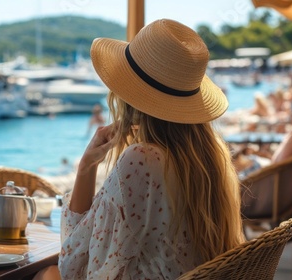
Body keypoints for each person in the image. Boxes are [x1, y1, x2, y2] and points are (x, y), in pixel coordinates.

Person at [35, 19, 245, 279]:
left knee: (47, 274)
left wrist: (86, 167)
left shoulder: (143, 159)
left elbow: (76, 264)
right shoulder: (212, 156)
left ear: (130, 98)